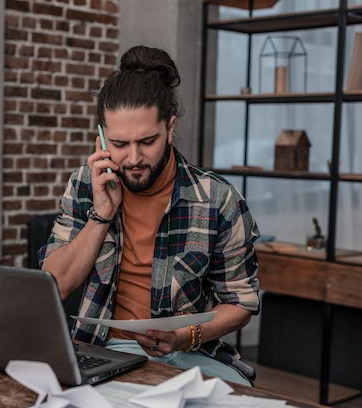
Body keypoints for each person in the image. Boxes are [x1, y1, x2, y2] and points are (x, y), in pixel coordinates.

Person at [38, 45, 261, 386]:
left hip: (190, 352)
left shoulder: (218, 200)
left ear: (170, 128)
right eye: (119, 143)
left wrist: (186, 336)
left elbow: (241, 304)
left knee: (241, 397)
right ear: (100, 137)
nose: (133, 158)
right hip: (100, 349)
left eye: (147, 141)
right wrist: (101, 216)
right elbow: (55, 283)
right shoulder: (86, 185)